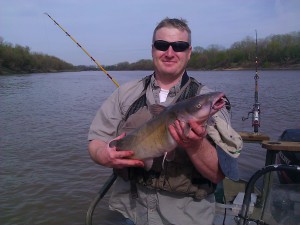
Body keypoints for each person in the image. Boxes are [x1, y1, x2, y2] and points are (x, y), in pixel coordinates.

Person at [88, 17, 243, 225]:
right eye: (162, 45)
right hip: (130, 214)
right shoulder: (126, 94)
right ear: (153, 49)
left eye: (179, 46)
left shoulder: (209, 100)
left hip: (185, 218)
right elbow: (96, 141)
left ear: (189, 53)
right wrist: (104, 155)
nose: (170, 53)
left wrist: (195, 145)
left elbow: (217, 175)